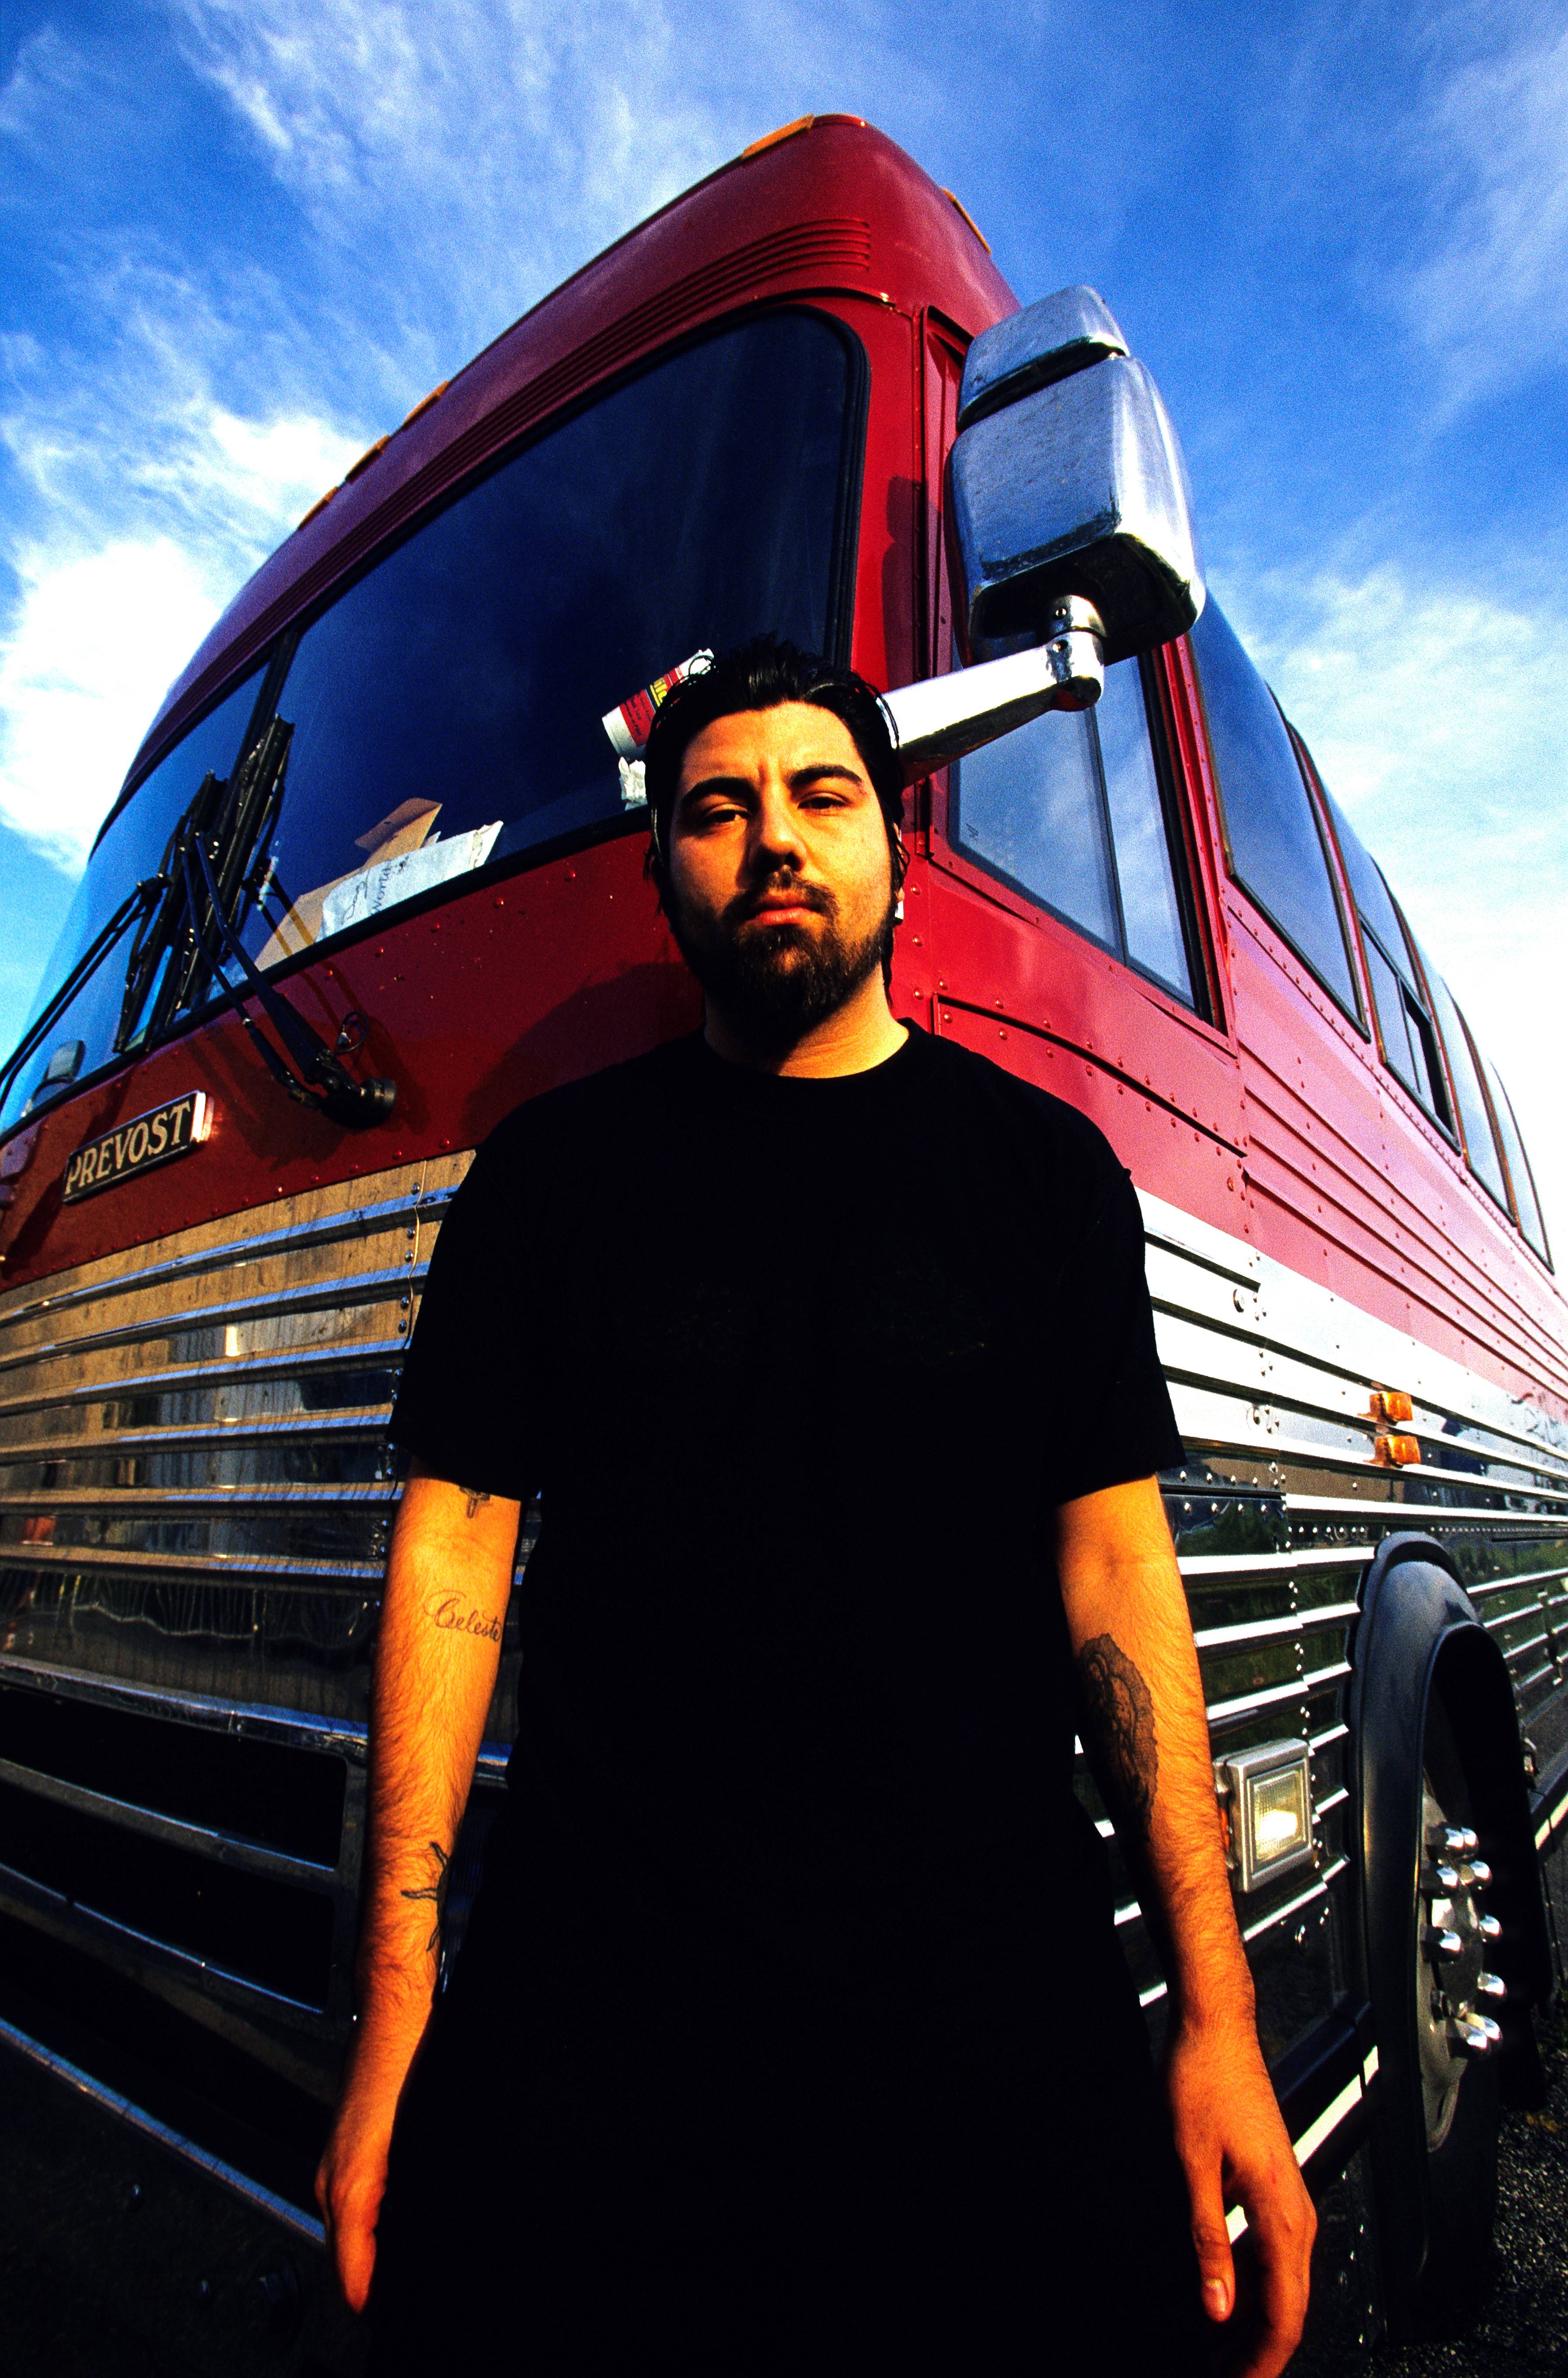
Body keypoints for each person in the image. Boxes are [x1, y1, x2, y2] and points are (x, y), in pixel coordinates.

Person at [317, 636, 1314, 2375]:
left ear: (895, 856)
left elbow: (1112, 1574)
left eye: (820, 793)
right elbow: (457, 1552)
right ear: (664, 877)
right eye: (717, 807)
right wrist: (399, 2004)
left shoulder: (1037, 1173)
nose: (772, 836)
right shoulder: (551, 1177)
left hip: (989, 2016)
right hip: (598, 2016)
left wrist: (1214, 2017)